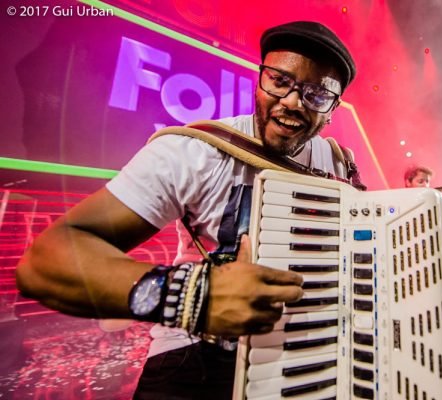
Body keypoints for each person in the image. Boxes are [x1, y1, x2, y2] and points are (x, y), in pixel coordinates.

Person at [16, 21, 358, 399]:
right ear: (259, 81)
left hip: (306, 355)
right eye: (279, 81)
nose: (292, 101)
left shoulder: (339, 163)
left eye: (317, 94)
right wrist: (197, 298)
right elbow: (46, 262)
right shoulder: (195, 150)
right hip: (196, 356)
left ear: (332, 108)